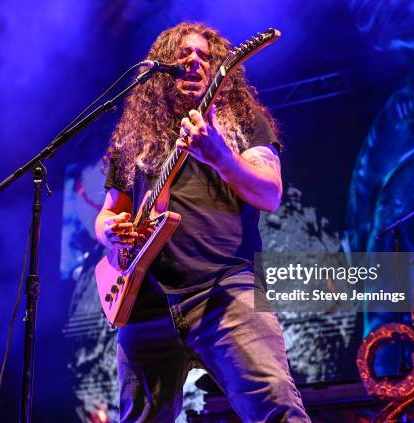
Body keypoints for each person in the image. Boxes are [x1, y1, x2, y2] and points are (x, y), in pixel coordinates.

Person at [95, 22, 311, 422]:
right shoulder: (133, 138)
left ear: (219, 70)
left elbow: (270, 193)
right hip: (145, 304)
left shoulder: (245, 123)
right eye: (183, 54)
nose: (194, 61)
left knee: (276, 408)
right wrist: (107, 231)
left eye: (205, 56)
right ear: (161, 68)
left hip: (224, 290)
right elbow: (110, 211)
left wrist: (221, 157)